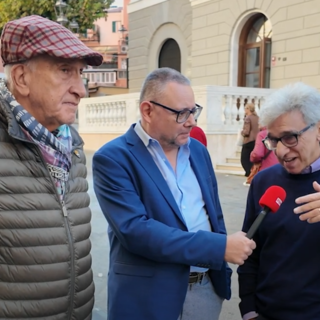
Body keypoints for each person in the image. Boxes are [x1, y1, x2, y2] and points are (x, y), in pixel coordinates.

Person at [93, 67, 256, 320]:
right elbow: (135, 231)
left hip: (205, 289)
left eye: (193, 111)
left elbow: (214, 215)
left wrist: (217, 273)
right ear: (148, 110)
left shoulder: (199, 152)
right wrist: (219, 247)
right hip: (148, 297)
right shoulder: (113, 158)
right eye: (181, 113)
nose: (191, 121)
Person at [0, 15, 103, 319]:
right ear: (21, 78)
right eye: (64, 71)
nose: (81, 90)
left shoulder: (72, 147)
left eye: (80, 73)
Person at [238, 82, 320, 320]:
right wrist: (249, 309)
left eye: (291, 137)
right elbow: (250, 249)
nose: (282, 151)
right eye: (274, 140)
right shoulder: (264, 181)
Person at [240, 103, 259, 178]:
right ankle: (252, 172)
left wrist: (242, 132)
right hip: (256, 140)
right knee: (252, 158)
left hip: (248, 141)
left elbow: (246, 131)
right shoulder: (257, 118)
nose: (244, 110)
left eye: (245, 108)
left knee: (244, 158)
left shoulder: (248, 118)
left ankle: (248, 172)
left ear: (248, 109)